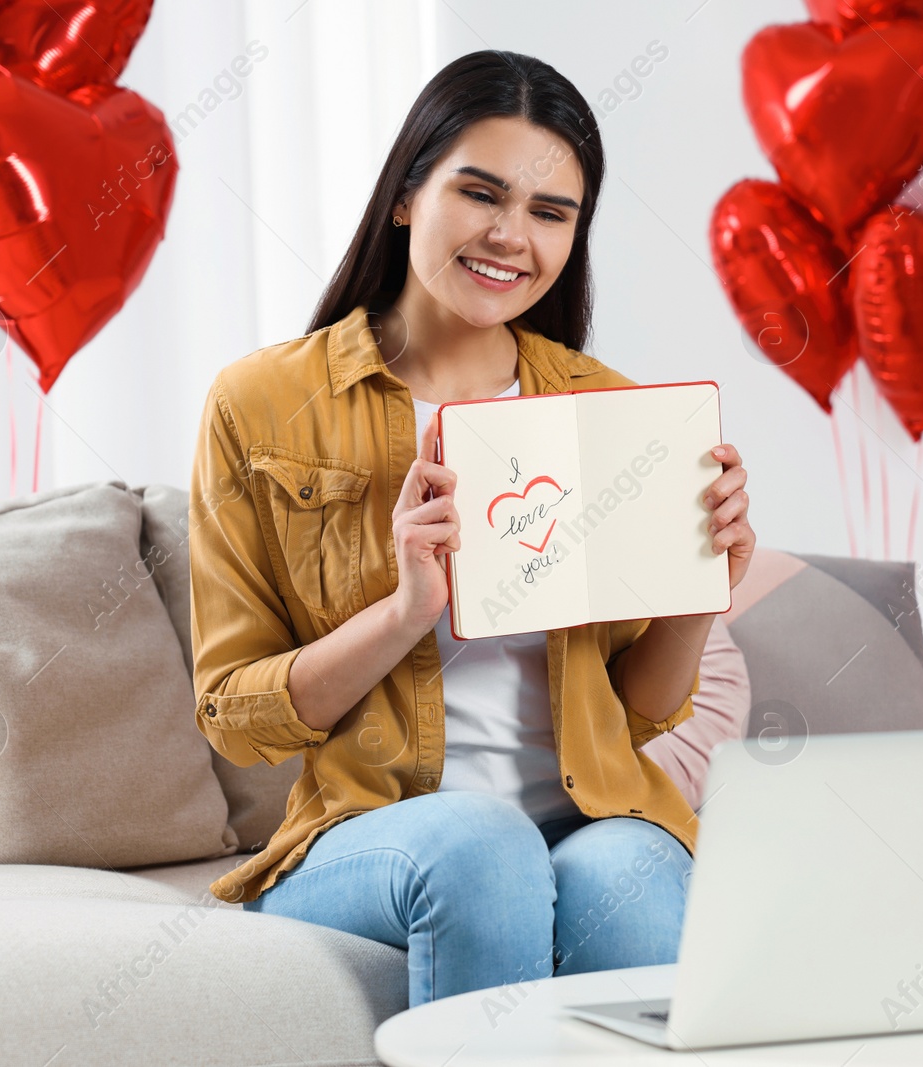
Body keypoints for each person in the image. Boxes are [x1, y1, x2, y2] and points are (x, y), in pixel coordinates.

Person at [188, 49, 755, 1009]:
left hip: (587, 809)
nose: (509, 236)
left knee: (635, 870)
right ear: (407, 194)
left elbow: (644, 712)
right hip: (372, 833)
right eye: (479, 193)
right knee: (482, 845)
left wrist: (702, 591)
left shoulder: (604, 408)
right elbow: (237, 720)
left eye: (549, 212)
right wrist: (408, 608)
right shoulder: (264, 402)